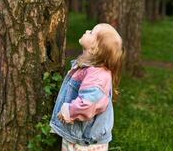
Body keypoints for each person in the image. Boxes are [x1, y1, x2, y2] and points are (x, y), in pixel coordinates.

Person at [50, 23, 125, 151]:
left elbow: (88, 103)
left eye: (91, 32)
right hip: (79, 138)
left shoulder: (98, 75)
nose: (87, 30)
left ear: (95, 48)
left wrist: (69, 111)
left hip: (85, 143)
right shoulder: (90, 68)